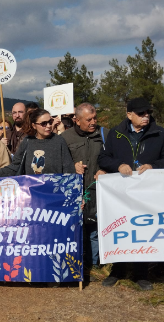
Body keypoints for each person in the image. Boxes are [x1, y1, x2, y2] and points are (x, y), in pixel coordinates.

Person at [98, 97, 164, 291]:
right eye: (141, 113)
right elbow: (103, 158)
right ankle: (118, 269)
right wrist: (118, 165)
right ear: (129, 115)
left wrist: (153, 166)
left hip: (148, 193)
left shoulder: (160, 133)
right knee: (121, 229)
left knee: (143, 231)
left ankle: (141, 273)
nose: (146, 116)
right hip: (121, 193)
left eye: (147, 112)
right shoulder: (115, 134)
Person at [60, 103, 108, 275]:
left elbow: (113, 158)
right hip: (74, 191)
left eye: (95, 118)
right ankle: (77, 262)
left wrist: (105, 169)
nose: (93, 122)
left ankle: (95, 265)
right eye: (89, 119)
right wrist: (72, 166)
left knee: (95, 229)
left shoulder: (105, 135)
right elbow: (58, 164)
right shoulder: (64, 138)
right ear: (77, 120)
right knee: (77, 229)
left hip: (97, 191)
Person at [0, 108, 75, 180]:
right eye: (43, 123)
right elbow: (15, 166)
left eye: (50, 122)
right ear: (34, 125)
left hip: (54, 193)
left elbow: (69, 169)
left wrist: (74, 195)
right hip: (31, 194)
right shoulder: (27, 141)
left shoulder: (59, 141)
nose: (48, 126)